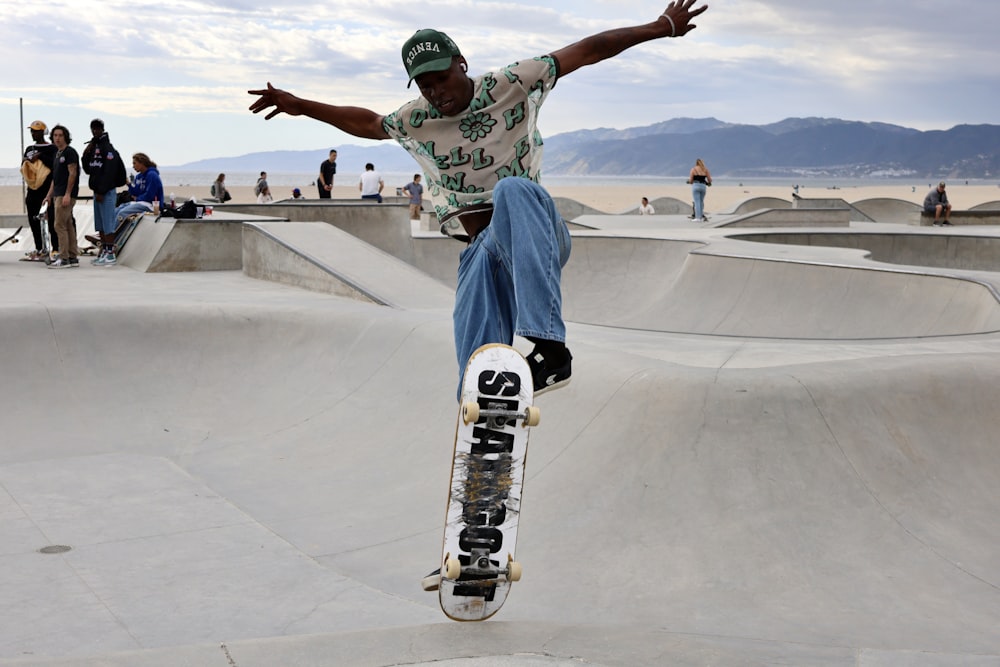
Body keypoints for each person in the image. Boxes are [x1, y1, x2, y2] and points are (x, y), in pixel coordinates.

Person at [248, 0, 709, 397]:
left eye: (441, 79)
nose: (436, 93)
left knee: (513, 189)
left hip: (538, 238)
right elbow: (368, 122)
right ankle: (482, 415)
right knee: (476, 355)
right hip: (484, 253)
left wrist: (660, 27)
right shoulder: (416, 119)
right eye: (425, 86)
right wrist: (302, 105)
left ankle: (548, 346)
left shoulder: (513, 82)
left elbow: (587, 51)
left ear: (460, 63)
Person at [97, 153, 164, 266]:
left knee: (123, 213)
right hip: (141, 202)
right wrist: (129, 184)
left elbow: (150, 195)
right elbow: (135, 191)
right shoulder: (139, 176)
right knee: (117, 210)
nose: (133, 166)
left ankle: (111, 240)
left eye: (135, 163)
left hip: (151, 205)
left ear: (142, 163)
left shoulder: (152, 175)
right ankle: (105, 236)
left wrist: (137, 198)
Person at [81, 119, 125, 253]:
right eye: (93, 129)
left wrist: (101, 191)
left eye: (98, 128)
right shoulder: (94, 147)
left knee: (108, 224)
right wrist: (86, 154)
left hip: (106, 192)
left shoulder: (108, 148)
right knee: (100, 224)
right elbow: (89, 169)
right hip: (96, 191)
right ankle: (104, 250)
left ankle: (110, 253)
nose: (95, 131)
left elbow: (109, 173)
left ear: (102, 129)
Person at [20, 120, 57, 261]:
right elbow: (24, 165)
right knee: (33, 220)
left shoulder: (52, 148)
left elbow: (54, 165)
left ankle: (55, 249)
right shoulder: (30, 148)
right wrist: (27, 160)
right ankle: (39, 248)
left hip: (47, 191)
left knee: (51, 220)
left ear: (43, 132)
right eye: (32, 131)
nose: (33, 133)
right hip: (32, 190)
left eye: (36, 131)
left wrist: (40, 156)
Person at [45, 125, 80, 269]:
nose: (57, 138)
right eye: (55, 135)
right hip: (57, 193)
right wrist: (48, 196)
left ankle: (63, 258)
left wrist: (67, 194)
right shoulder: (57, 154)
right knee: (67, 225)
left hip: (65, 195)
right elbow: (55, 177)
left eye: (60, 135)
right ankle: (72, 256)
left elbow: (73, 173)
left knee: (58, 225)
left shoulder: (70, 152)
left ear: (65, 136)